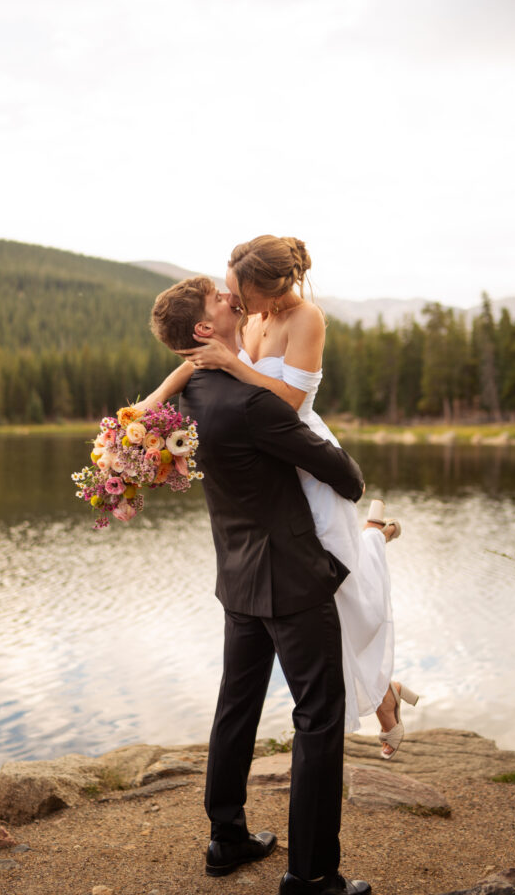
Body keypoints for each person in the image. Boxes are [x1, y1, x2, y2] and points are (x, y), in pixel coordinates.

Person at [139, 236, 417, 759]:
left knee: (340, 583)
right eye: (228, 293)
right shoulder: (251, 318)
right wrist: (149, 406)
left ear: (271, 288)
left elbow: (288, 402)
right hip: (268, 463)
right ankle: (385, 695)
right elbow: (199, 361)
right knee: (325, 598)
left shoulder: (305, 318)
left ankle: (373, 538)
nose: (234, 303)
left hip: (303, 456)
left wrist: (235, 364)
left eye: (239, 294)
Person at [150, 275, 372, 895]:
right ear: (204, 329)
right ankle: (312, 874)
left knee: (237, 704)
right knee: (319, 717)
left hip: (237, 575)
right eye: (222, 301)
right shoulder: (252, 404)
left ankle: (226, 838)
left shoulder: (185, 398)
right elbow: (346, 477)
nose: (234, 302)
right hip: (293, 579)